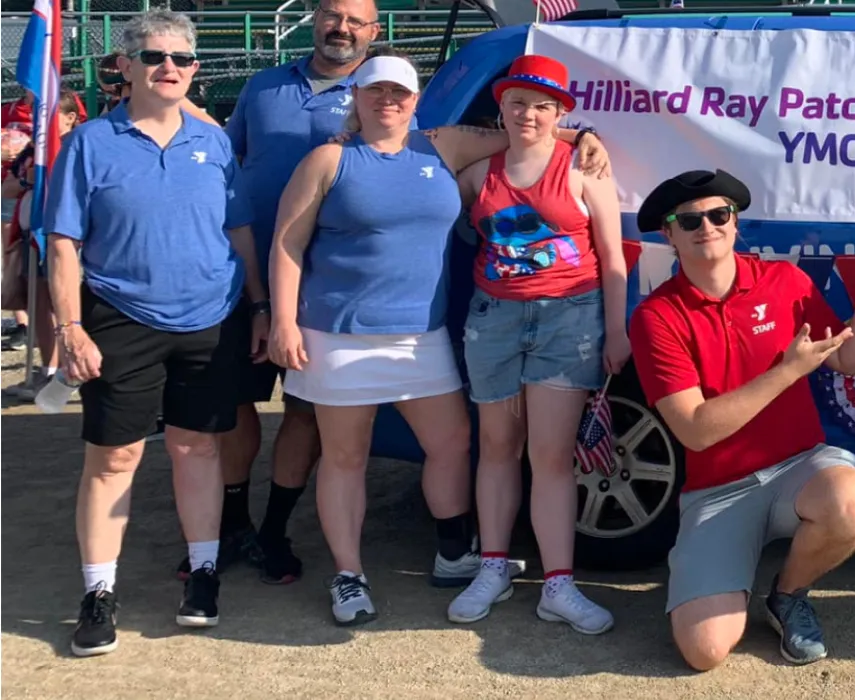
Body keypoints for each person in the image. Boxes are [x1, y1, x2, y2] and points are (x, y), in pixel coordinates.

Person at [264, 53, 605, 626]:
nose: (387, 101)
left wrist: (586, 135)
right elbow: (286, 242)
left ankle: (454, 555)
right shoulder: (329, 158)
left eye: (399, 92)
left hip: (421, 333)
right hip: (338, 333)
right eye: (375, 91)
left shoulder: (441, 145)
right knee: (345, 457)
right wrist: (282, 320)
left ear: (416, 101)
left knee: (451, 443)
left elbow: (523, 130)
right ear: (356, 96)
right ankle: (349, 574)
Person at [47, 10, 270, 657]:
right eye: (153, 56)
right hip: (121, 317)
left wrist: (258, 306)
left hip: (211, 317)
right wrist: (71, 327)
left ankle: (203, 575)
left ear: (195, 69)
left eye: (182, 58)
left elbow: (238, 230)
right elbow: (62, 244)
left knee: (196, 448)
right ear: (126, 66)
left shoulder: (215, 142)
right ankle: (98, 593)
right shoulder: (90, 144)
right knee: (114, 457)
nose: (169, 67)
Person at [631, 169, 855, 669]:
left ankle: (787, 594)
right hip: (717, 491)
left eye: (719, 215)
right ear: (668, 234)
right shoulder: (657, 316)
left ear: (735, 222)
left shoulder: (784, 281)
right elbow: (695, 430)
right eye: (689, 221)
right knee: (703, 652)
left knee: (850, 500)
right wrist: (787, 372)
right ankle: (710, 565)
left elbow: (848, 361)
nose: (707, 227)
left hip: (797, 470)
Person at [207, 0, 394, 587]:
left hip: (330, 284)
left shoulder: (385, 93)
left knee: (307, 410)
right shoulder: (263, 86)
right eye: (332, 15)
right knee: (235, 403)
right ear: (315, 19)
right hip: (248, 275)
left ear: (374, 31)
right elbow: (229, 163)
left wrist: (577, 133)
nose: (342, 28)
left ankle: (273, 531)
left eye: (356, 21)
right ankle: (232, 525)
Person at [443, 55, 629, 633]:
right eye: (517, 102)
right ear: (500, 107)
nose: (529, 114)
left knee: (550, 455)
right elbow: (428, 145)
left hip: (569, 318)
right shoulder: (478, 173)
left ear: (560, 112)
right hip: (493, 317)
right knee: (497, 446)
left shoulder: (584, 169)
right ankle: (493, 567)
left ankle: (558, 584)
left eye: (543, 106)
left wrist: (617, 329)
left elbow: (613, 256)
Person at [4, 90, 85, 398]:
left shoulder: (78, 146)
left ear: (70, 118)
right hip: (32, 237)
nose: (41, 122)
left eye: (49, 115)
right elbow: (8, 187)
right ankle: (48, 369)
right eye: (38, 115)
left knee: (64, 303)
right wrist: (29, 181)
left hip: (65, 239)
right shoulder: (32, 151)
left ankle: (71, 371)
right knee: (37, 302)